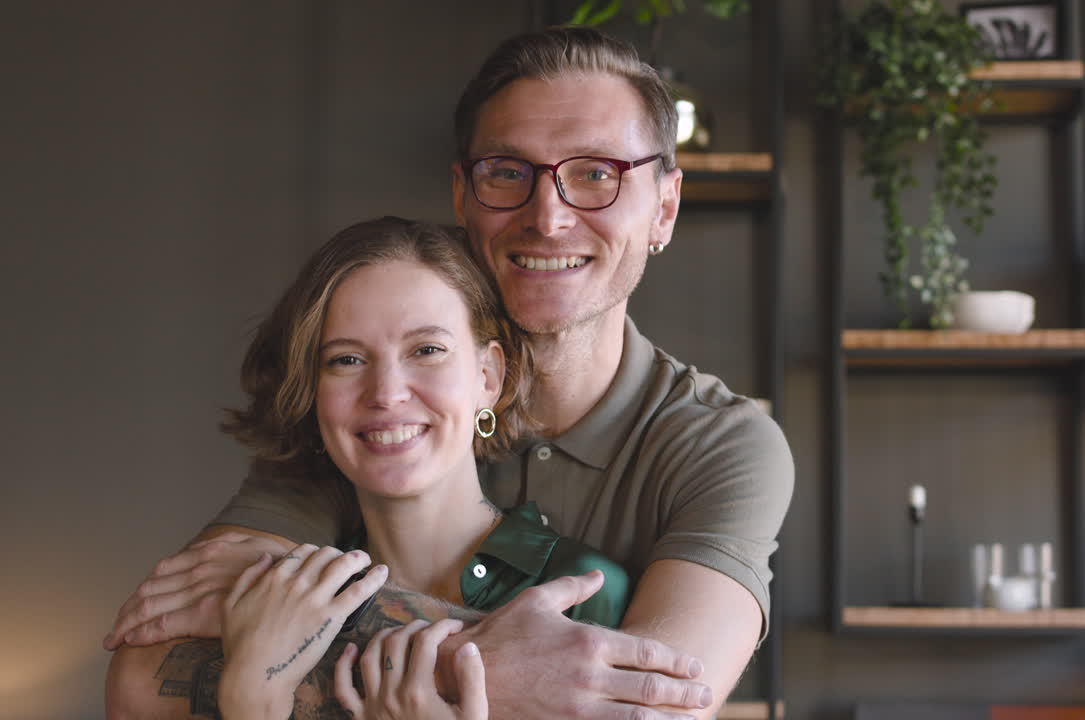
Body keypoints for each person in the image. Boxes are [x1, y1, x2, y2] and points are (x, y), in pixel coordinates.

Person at [105, 25, 793, 720]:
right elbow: (144, 667)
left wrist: (292, 639)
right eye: (508, 172)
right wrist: (499, 670)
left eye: (596, 174)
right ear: (464, 195)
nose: (548, 217)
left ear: (664, 208)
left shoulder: (720, 444)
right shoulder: (377, 417)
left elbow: (654, 708)